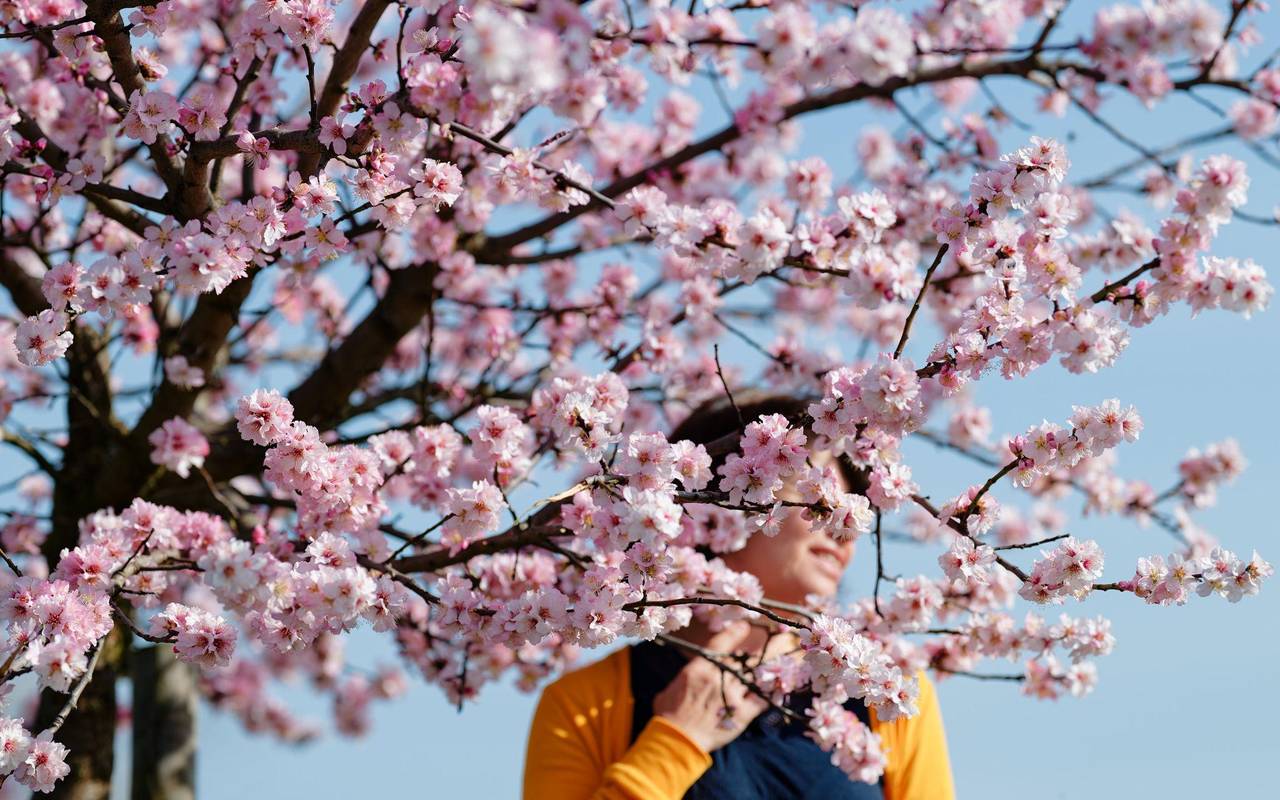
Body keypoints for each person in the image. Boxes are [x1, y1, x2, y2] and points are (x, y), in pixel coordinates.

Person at [522, 394, 955, 800]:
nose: (843, 525)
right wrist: (675, 743)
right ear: (712, 502)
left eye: (849, 507)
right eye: (814, 493)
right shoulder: (586, 707)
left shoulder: (886, 696)